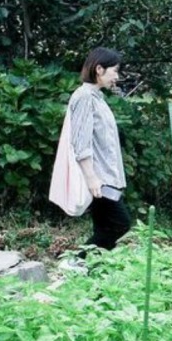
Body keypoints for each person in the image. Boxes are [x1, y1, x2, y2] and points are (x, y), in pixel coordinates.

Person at [68, 47, 131, 252]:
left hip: (105, 176)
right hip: (98, 179)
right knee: (119, 224)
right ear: (99, 69)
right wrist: (91, 177)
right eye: (114, 71)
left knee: (104, 226)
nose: (117, 77)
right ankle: (75, 262)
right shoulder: (85, 97)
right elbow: (81, 141)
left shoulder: (96, 97)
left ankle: (91, 269)